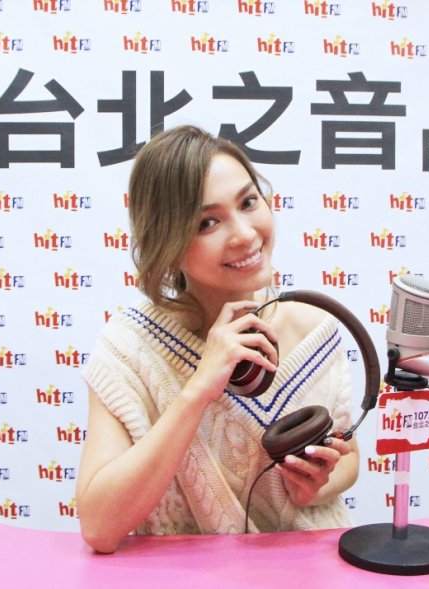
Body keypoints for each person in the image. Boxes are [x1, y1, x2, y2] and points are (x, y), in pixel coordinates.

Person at [76, 125, 359, 553]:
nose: (244, 234)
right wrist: (198, 390)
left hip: (310, 569)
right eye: (207, 222)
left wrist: (317, 485)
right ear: (167, 242)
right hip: (188, 577)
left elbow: (349, 457)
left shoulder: (313, 327)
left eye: (248, 202)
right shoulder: (129, 348)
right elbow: (99, 527)